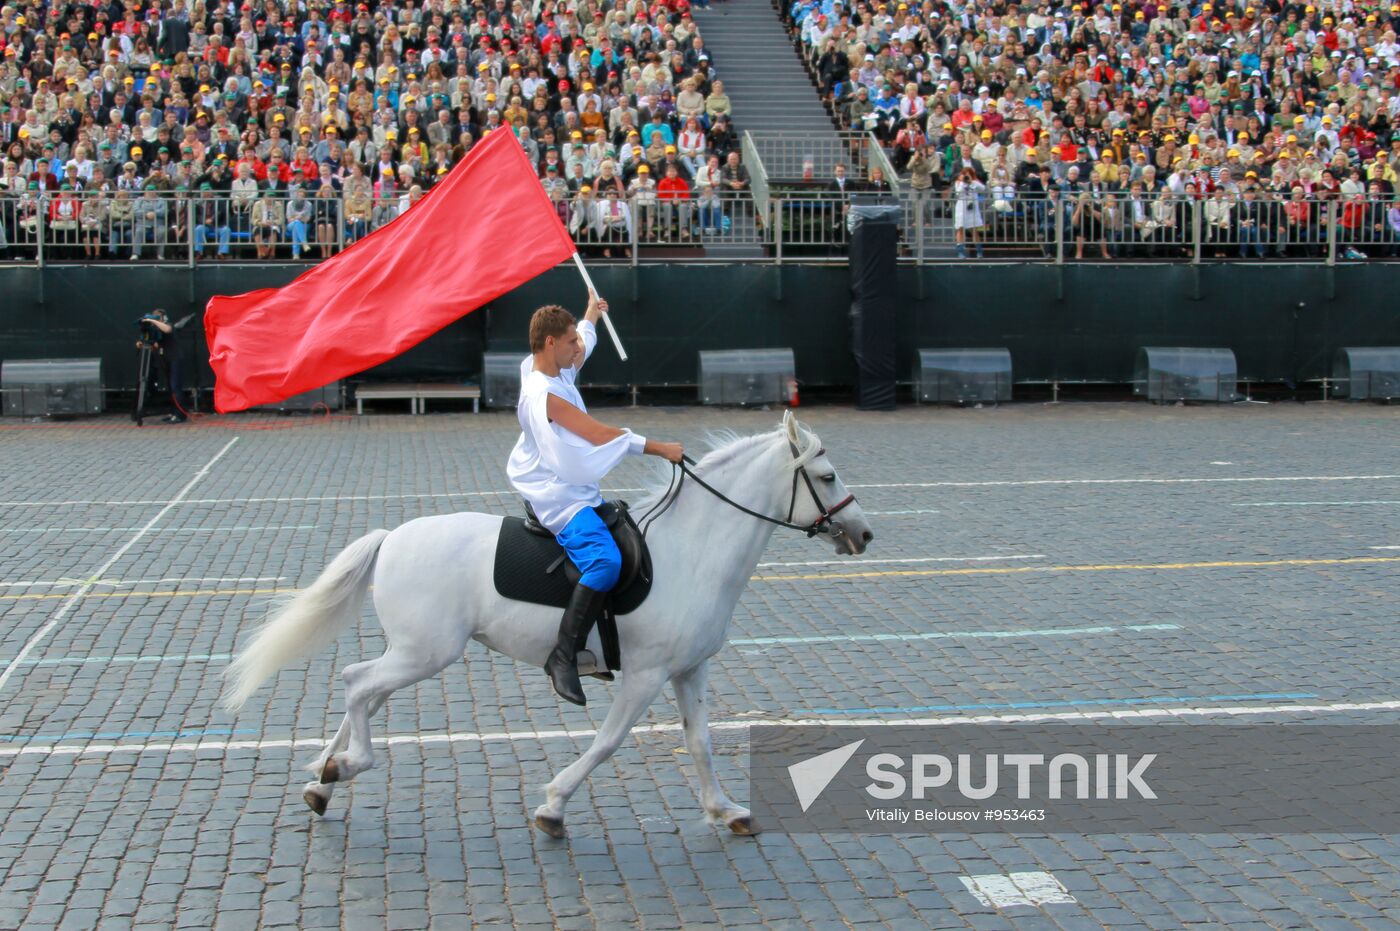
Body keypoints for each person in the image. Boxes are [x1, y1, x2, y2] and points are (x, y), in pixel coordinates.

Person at [506, 296, 683, 706]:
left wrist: (590, 315)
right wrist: (659, 448)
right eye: (569, 343)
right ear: (550, 343)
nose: (577, 349)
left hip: (565, 482)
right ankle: (564, 655)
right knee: (605, 562)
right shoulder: (548, 395)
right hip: (558, 496)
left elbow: (583, 343)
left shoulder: (540, 364)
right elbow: (599, 435)